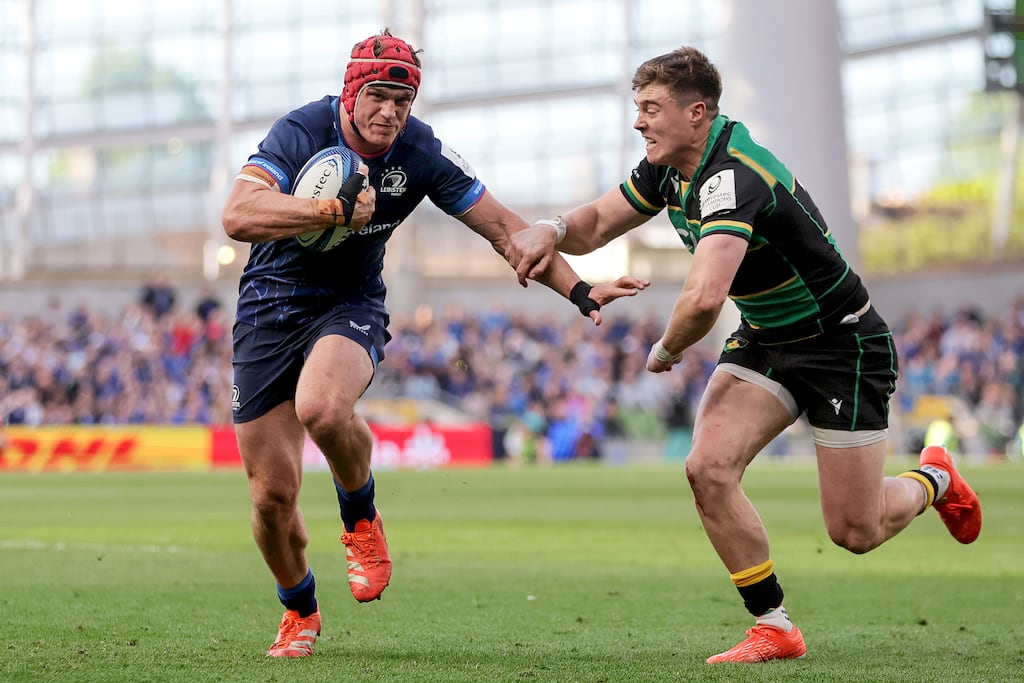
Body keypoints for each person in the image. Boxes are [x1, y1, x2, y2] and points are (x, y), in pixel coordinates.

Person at [508, 46, 982, 664]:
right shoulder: (668, 166)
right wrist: (550, 227)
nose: (639, 122)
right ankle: (774, 625)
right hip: (766, 337)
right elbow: (597, 222)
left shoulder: (732, 176)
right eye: (638, 109)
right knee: (707, 468)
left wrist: (664, 351)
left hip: (842, 343)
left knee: (855, 531)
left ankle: (936, 477)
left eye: (651, 109)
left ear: (697, 113)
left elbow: (704, 299)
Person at [220, 28, 648, 658]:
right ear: (351, 91)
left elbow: (507, 230)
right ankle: (299, 612)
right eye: (380, 95)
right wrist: (330, 212)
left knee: (323, 408)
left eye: (403, 98)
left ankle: (361, 516)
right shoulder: (300, 131)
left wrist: (581, 292)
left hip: (349, 305)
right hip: (267, 311)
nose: (391, 110)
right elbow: (237, 214)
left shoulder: (421, 152)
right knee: (271, 497)